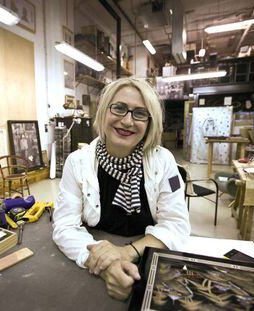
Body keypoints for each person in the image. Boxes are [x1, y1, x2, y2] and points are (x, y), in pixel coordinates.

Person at [52, 77, 190, 300]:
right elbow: (64, 226)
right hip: (94, 265)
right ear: (104, 112)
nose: (127, 121)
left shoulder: (164, 162)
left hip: (148, 261)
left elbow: (176, 226)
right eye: (119, 108)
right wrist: (105, 264)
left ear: (149, 123)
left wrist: (125, 253)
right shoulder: (77, 163)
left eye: (140, 113)